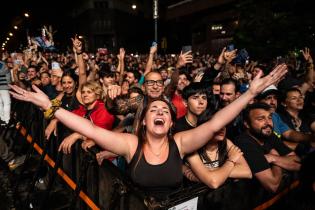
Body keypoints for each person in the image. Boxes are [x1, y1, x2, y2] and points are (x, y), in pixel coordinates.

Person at [9, 64, 287, 199]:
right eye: (153, 110)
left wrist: (250, 92)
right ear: (143, 121)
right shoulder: (131, 143)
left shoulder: (180, 142)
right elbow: (85, 126)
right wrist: (50, 107)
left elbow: (215, 124)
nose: (160, 113)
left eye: (165, 111)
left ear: (169, 122)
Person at [234, 103, 301, 193]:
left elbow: (298, 163)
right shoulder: (244, 143)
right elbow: (273, 185)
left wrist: (273, 158)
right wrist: (280, 159)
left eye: (269, 117)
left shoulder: (269, 135)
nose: (268, 122)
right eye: (261, 119)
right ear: (247, 124)